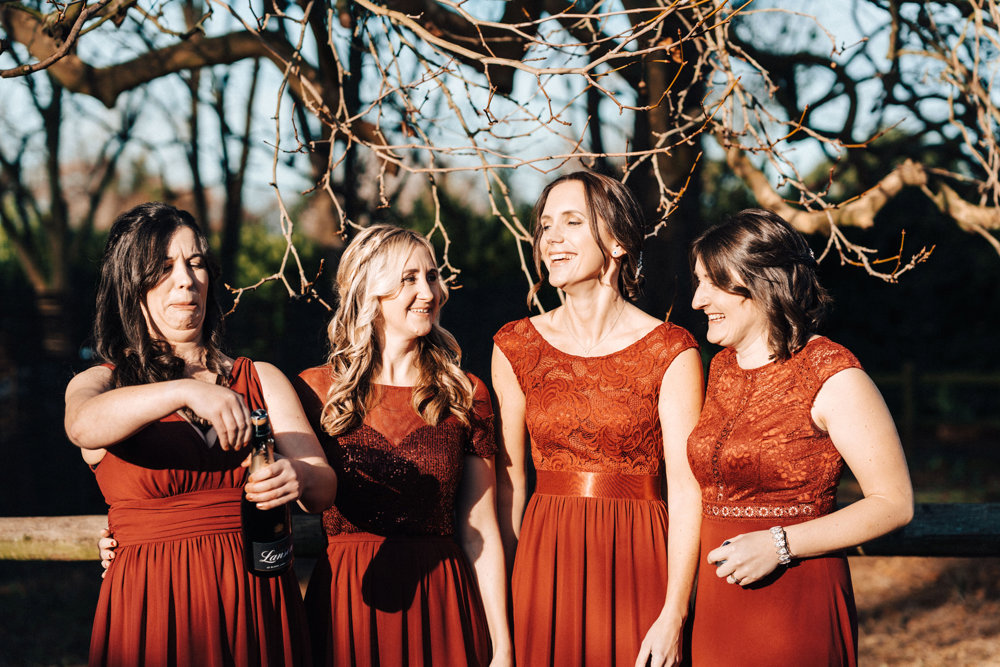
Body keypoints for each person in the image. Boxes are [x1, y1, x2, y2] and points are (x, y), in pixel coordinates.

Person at [66, 202, 337, 667]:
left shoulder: (261, 378)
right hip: (150, 606)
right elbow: (82, 425)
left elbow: (323, 487)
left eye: (195, 263)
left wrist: (297, 476)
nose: (186, 281)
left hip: (255, 599)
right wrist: (185, 391)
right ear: (132, 283)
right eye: (165, 267)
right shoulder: (101, 383)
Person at [491, 170, 704, 666]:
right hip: (543, 559)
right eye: (545, 225)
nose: (552, 239)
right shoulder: (514, 345)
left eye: (571, 222)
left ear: (616, 241)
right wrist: (500, 608)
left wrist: (675, 611)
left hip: (639, 555)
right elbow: (509, 483)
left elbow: (689, 489)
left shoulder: (672, 350)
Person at [686, 208, 914, 666]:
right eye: (698, 282)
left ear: (763, 282)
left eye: (713, 283)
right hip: (713, 601)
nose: (697, 300)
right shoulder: (719, 370)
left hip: (792, 603)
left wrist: (778, 544)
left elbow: (894, 503)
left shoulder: (832, 373)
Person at [292, 224, 512, 666]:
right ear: (369, 289)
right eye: (408, 278)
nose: (429, 291)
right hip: (347, 604)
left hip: (443, 603)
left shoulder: (464, 393)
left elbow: (479, 530)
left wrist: (501, 647)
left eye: (431, 276)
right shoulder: (315, 392)